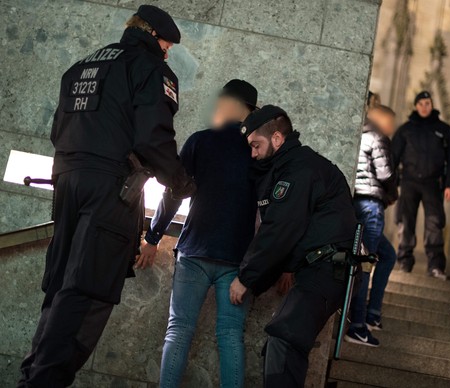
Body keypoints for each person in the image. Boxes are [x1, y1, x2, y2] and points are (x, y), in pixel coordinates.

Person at [18, 5, 195, 387]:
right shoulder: (149, 69)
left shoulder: (82, 67)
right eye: (166, 45)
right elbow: (153, 138)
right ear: (152, 36)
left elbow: (57, 132)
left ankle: (33, 375)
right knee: (87, 289)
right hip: (110, 189)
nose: (167, 52)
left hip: (67, 182)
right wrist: (180, 182)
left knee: (63, 283)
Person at [136, 80, 259, 388]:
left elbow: (174, 193)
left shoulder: (201, 141)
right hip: (237, 260)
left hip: (195, 251)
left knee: (178, 331)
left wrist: (153, 238)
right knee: (231, 336)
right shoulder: (259, 153)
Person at [228, 105, 359, 387]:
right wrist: (287, 268)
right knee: (281, 346)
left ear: (276, 139)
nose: (252, 153)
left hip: (327, 269)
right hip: (321, 268)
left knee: (284, 342)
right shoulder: (293, 164)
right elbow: (305, 225)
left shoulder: (298, 169)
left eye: (256, 145)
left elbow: (280, 229)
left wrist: (246, 277)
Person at [391, 91, 450, 279]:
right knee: (405, 222)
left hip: (433, 183)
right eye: (420, 103)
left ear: (432, 105)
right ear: (415, 106)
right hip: (409, 182)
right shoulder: (405, 129)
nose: (424, 107)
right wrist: (392, 182)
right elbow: (393, 157)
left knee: (435, 223)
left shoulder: (444, 130)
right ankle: (404, 262)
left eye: (427, 103)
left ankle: (436, 266)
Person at [346, 105, 398, 347]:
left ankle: (372, 313)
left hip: (358, 202)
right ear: (383, 120)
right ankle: (357, 326)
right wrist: (392, 193)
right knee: (365, 265)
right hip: (371, 207)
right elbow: (386, 173)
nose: (393, 128)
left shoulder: (361, 134)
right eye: (392, 122)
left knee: (387, 255)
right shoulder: (378, 137)